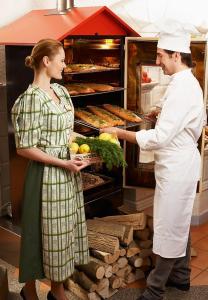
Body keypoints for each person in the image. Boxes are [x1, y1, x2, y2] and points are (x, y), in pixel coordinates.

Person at [101, 20, 206, 300]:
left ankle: (155, 289)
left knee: (170, 225)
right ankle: (182, 277)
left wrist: (120, 132)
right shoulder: (183, 82)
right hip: (177, 163)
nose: (157, 60)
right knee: (178, 220)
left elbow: (159, 138)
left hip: (177, 165)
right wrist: (160, 115)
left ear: (176, 55)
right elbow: (177, 123)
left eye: (160, 55)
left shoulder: (184, 87)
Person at [11, 39, 93, 300]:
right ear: (46, 62)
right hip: (47, 176)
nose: (65, 65)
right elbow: (24, 148)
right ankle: (31, 289)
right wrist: (62, 163)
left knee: (64, 233)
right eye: (62, 60)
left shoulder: (62, 92)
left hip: (67, 174)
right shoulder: (31, 99)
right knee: (42, 233)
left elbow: (68, 133)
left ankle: (56, 289)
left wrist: (85, 151)